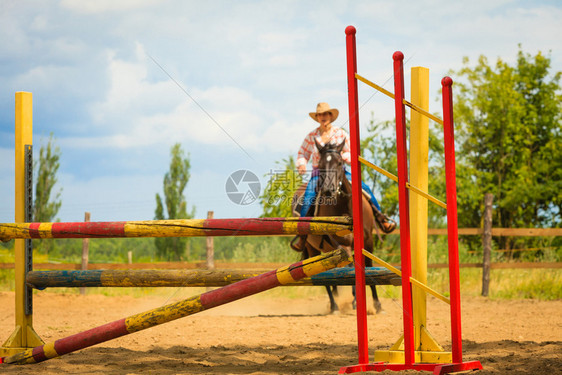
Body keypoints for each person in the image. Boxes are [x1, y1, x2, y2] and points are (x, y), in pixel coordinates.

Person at [291, 103, 396, 251]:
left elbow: (351, 150)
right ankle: (302, 236)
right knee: (308, 197)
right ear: (317, 117)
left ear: (331, 116)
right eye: (320, 115)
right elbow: (303, 153)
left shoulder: (341, 133)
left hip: (340, 171)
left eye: (326, 114)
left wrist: (345, 157)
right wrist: (301, 164)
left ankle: (381, 218)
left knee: (363, 187)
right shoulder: (311, 136)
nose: (323, 117)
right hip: (319, 174)